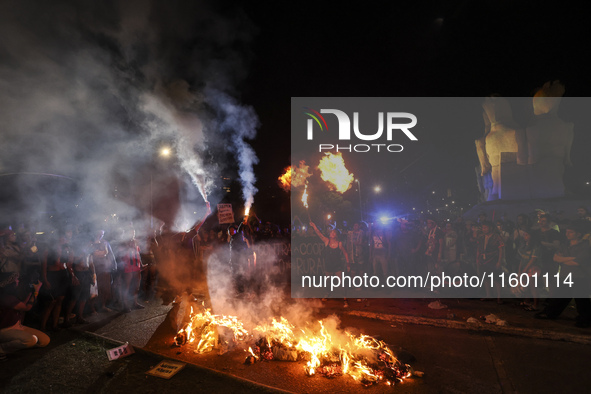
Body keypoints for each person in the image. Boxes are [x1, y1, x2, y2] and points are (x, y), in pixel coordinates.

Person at [536, 222, 591, 327]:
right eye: (567, 232)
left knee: (581, 299)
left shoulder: (584, 246)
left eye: (570, 232)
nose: (567, 234)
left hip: (579, 276)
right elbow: (556, 258)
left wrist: (564, 260)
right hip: (566, 275)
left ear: (578, 234)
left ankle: (586, 319)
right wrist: (571, 259)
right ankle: (550, 313)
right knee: (561, 296)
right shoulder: (565, 245)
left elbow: (577, 262)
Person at [0, 272, 49, 361]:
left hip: (18, 326)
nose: (18, 281)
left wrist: (31, 293)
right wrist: (36, 291)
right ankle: (1, 349)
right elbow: (26, 308)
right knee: (31, 340)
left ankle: (19, 344)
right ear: (10, 284)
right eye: (16, 280)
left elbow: (23, 305)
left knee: (45, 341)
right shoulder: (6, 298)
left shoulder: (11, 296)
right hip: (5, 330)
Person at [309, 221, 350, 307]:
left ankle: (345, 298)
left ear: (336, 235)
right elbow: (319, 234)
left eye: (334, 232)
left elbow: (345, 253)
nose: (332, 233)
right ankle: (328, 293)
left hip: (337, 266)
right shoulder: (326, 241)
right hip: (328, 265)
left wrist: (348, 264)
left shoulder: (339, 243)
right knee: (328, 281)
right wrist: (314, 226)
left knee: (341, 282)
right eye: (331, 232)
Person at [476, 221, 505, 303]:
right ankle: (488, 295)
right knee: (485, 278)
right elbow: (478, 249)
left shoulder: (497, 237)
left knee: (496, 278)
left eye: (485, 227)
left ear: (490, 228)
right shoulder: (481, 237)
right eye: (483, 228)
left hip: (493, 259)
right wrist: (477, 259)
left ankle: (499, 296)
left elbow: (501, 249)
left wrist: (499, 261)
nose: (483, 229)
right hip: (483, 259)